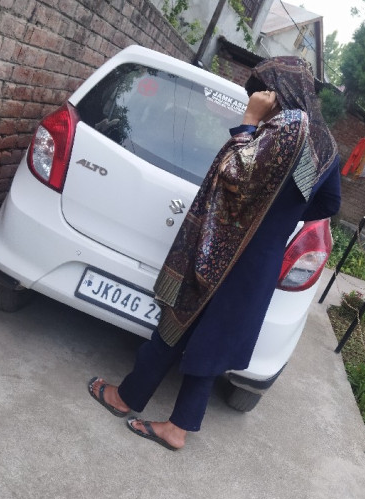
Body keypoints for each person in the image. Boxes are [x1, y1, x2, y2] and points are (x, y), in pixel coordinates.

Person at [88, 56, 341, 451]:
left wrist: (249, 120)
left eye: (263, 91)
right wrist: (279, 214)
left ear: (280, 91)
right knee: (213, 340)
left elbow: (234, 173)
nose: (258, 98)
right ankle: (176, 427)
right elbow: (328, 203)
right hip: (259, 261)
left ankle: (127, 398)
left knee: (176, 323)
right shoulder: (325, 144)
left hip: (222, 250)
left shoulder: (285, 128)